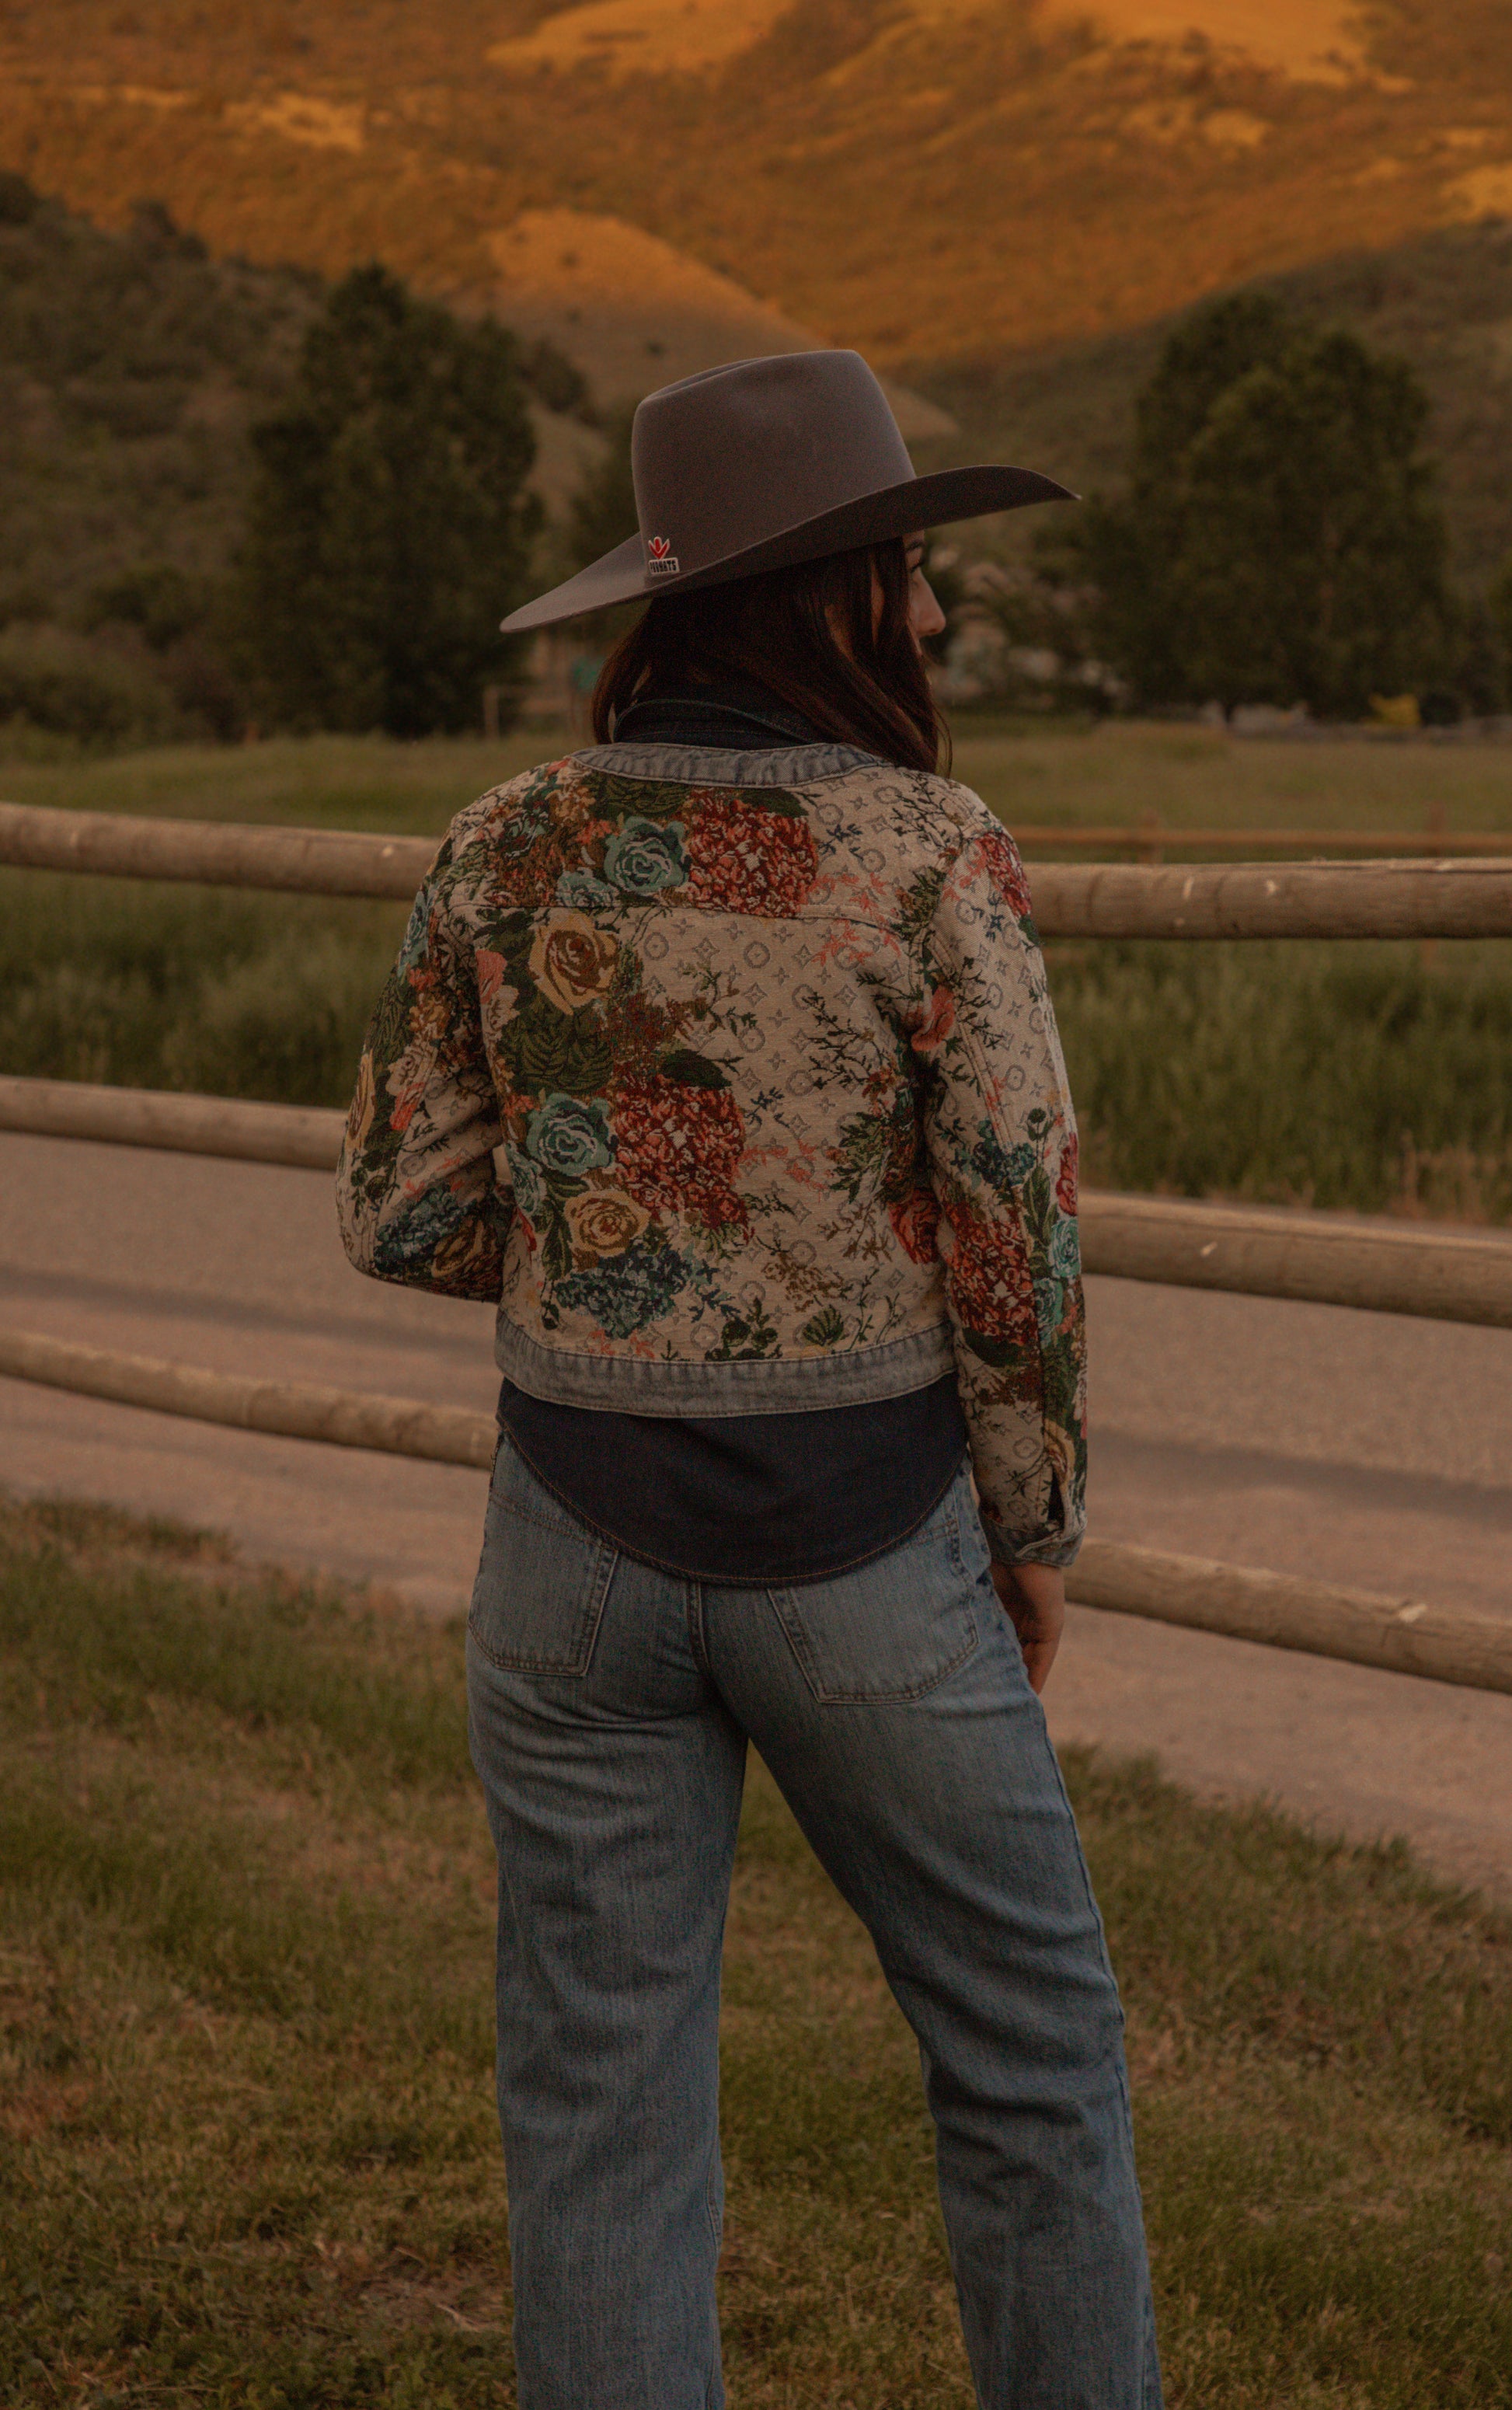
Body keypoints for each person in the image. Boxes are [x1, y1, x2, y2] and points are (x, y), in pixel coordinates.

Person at [336, 350, 1162, 2410]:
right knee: (1031, 2057)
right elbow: (1016, 1234)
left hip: (566, 1546)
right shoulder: (930, 851)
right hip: (867, 1550)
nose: (934, 611)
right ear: (840, 593)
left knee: (598, 2101)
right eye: (909, 569)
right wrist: (1033, 1529)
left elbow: (401, 1211)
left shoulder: (504, 841)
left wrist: (616, 1247)